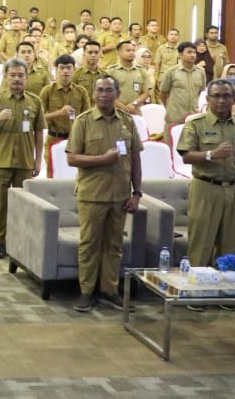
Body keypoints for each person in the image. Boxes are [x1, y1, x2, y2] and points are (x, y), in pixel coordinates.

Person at [66, 75, 143, 312]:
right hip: (92, 195)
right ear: (93, 94)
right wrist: (103, 159)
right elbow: (72, 158)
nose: (104, 94)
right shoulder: (83, 121)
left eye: (109, 90)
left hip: (120, 195)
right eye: (99, 90)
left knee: (114, 245)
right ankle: (86, 291)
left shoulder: (127, 122)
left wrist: (137, 193)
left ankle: (109, 290)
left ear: (117, 94)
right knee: (89, 244)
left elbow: (135, 159)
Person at [177, 79, 235, 284]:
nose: (221, 100)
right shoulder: (196, 124)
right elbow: (186, 156)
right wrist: (212, 154)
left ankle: (225, 288)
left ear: (234, 99)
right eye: (216, 96)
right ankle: (196, 289)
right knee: (201, 241)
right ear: (208, 99)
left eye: (226, 96)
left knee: (229, 243)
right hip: (206, 187)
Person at [0, 58, 45, 259]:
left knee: (23, 204)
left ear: (27, 77)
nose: (17, 79)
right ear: (5, 76)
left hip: (25, 161)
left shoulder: (34, 101)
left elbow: (39, 132)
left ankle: (19, 241)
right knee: (0, 205)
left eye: (21, 75)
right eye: (12, 75)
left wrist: (38, 160)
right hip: (2, 161)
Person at [40, 55, 90, 145]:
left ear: (74, 70)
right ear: (56, 70)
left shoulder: (81, 91)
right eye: (62, 68)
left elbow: (88, 117)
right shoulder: (47, 91)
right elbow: (39, 118)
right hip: (53, 139)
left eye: (68, 68)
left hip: (75, 139)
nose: (65, 71)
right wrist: (58, 113)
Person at [159, 41, 207, 125]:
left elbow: (199, 92)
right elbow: (163, 93)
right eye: (189, 52)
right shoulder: (171, 72)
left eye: (194, 52)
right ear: (180, 54)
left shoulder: (201, 72)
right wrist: (169, 108)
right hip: (174, 117)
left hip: (193, 117)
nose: (192, 55)